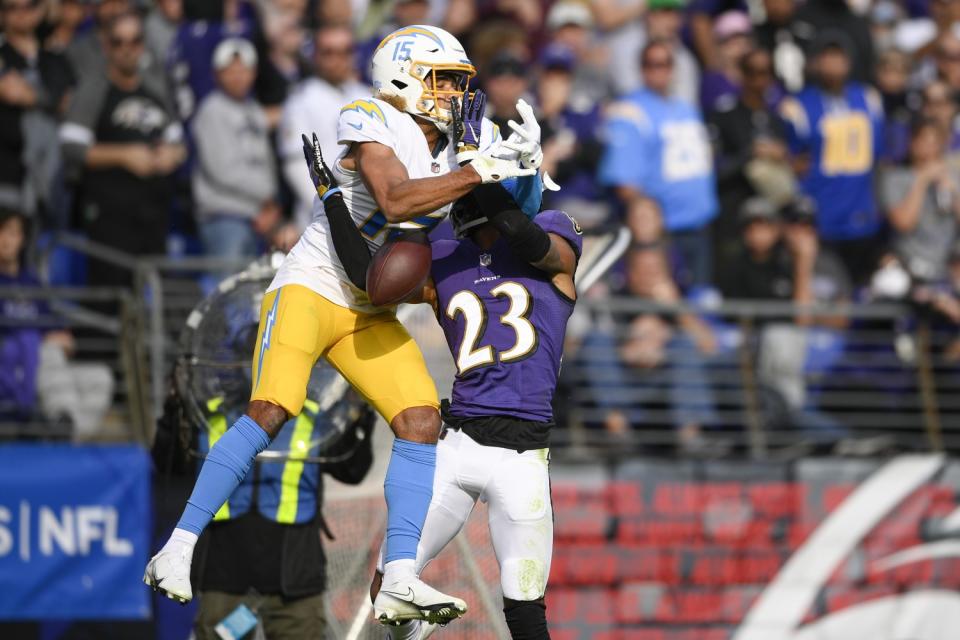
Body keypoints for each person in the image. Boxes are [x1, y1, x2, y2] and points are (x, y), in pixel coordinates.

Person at [143, 24, 537, 628]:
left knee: (419, 419)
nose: (456, 94)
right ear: (405, 77)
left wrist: (528, 173)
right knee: (272, 406)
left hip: (370, 308)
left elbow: (496, 215)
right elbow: (399, 199)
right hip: (313, 285)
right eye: (444, 80)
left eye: (459, 82)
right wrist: (478, 170)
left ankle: (400, 575)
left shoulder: (459, 143)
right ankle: (179, 545)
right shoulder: (369, 116)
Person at [302, 127, 580, 640]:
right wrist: (334, 203)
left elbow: (527, 237)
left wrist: (477, 163)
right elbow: (372, 279)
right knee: (391, 580)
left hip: (522, 458)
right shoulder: (447, 256)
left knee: (524, 612)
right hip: (459, 444)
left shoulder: (551, 237)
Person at [183, 328, 376, 640]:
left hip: (295, 580)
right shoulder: (209, 415)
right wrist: (174, 406)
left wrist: (360, 413)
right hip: (225, 576)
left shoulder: (315, 419)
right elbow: (169, 461)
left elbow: (352, 471)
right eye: (253, 358)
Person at [59, 11, 185, 288]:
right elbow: (70, 146)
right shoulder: (93, 89)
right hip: (109, 215)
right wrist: (124, 155)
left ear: (143, 44)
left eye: (135, 41)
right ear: (107, 46)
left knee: (156, 300)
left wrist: (172, 154)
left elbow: (179, 141)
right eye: (118, 42)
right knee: (111, 297)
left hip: (153, 214)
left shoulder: (155, 89)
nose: (127, 50)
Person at [599, 40, 718, 289]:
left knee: (703, 303)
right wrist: (648, 227)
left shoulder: (685, 107)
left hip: (701, 227)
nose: (658, 70)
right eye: (651, 64)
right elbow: (624, 182)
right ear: (641, 68)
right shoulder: (630, 111)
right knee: (669, 308)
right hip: (665, 235)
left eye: (665, 64)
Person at [779, 31, 884, 285]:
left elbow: (879, 156)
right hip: (822, 216)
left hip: (862, 215)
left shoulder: (869, 99)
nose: (833, 63)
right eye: (827, 56)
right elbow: (792, 162)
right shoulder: (797, 106)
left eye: (839, 57)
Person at [0, 209, 113, 437]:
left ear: (22, 240)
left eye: (13, 233)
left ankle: (66, 430)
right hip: (13, 368)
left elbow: (55, 327)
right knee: (47, 351)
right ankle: (62, 420)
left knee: (101, 377)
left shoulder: (31, 282)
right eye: (2, 232)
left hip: (46, 370)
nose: (6, 240)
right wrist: (43, 339)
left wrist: (64, 340)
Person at [708, 47, 791, 285]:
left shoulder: (778, 119)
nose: (758, 79)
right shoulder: (724, 115)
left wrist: (783, 156)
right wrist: (749, 154)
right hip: (734, 222)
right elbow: (714, 172)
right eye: (751, 72)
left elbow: (798, 168)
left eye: (765, 72)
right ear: (742, 74)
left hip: (771, 224)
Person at [192, 37, 278, 261]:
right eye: (230, 70)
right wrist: (267, 196)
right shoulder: (212, 110)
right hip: (224, 218)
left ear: (254, 73)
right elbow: (223, 171)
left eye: (244, 70)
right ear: (216, 74)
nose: (238, 76)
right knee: (229, 290)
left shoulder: (252, 109)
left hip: (255, 217)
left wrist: (269, 205)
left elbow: (265, 162)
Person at [276, 23, 367, 229]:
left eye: (346, 51)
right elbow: (296, 164)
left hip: (368, 211)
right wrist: (331, 205)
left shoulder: (367, 96)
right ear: (315, 55)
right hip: (320, 216)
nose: (338, 60)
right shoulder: (300, 100)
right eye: (329, 52)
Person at [0, 0, 75, 218]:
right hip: (8, 174)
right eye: (11, 7)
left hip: (53, 173)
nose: (21, 13)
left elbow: (69, 102)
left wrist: (32, 97)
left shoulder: (54, 58)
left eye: (29, 5)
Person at [880, 117, 960, 286]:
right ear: (912, 143)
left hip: (947, 265)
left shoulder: (953, 177)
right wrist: (922, 181)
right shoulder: (895, 178)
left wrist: (953, 194)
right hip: (908, 264)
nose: (929, 147)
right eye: (923, 140)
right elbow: (903, 222)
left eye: (934, 142)